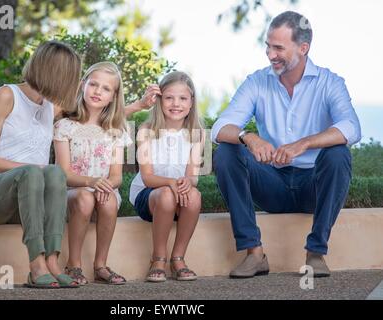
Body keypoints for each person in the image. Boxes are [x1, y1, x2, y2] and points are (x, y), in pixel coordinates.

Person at [212, 11, 361, 278]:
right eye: (268, 46)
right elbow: (220, 127)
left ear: (303, 48)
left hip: (312, 187)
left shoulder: (330, 83)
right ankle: (254, 253)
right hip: (271, 184)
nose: (270, 55)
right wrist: (250, 136)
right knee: (226, 151)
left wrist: (304, 143)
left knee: (338, 154)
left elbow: (351, 128)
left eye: (278, 47)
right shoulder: (256, 82)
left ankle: (316, 253)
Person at [0, 41, 82, 288]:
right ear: (54, 74)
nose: (72, 83)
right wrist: (31, 169)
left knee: (55, 173)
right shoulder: (7, 95)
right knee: (32, 171)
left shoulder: (51, 107)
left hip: (27, 202)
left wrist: (138, 107)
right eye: (70, 77)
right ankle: (36, 265)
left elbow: (96, 109)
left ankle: (52, 261)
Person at [54, 61, 136, 285]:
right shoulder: (65, 126)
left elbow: (117, 176)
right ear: (83, 85)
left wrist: (106, 186)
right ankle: (74, 264)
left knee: (109, 201)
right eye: (93, 84)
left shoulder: (116, 130)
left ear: (113, 97)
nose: (98, 91)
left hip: (102, 188)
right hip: (72, 191)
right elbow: (63, 174)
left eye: (106, 88)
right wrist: (92, 182)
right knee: (84, 197)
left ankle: (100, 264)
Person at [129, 71, 205, 282]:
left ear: (191, 102)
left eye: (183, 98)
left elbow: (193, 177)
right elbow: (148, 178)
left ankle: (178, 258)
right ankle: (158, 259)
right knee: (165, 195)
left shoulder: (197, 132)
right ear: (160, 100)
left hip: (177, 196)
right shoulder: (147, 130)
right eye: (169, 97)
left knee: (195, 196)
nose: (176, 104)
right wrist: (172, 183)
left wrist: (185, 182)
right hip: (149, 197)